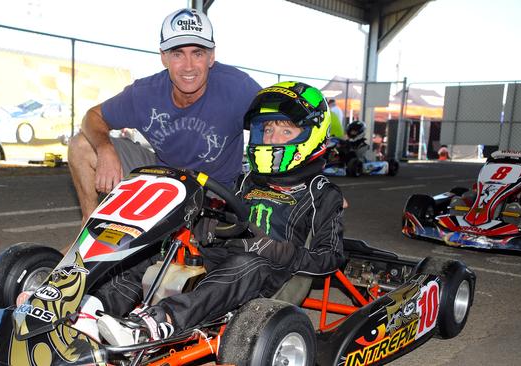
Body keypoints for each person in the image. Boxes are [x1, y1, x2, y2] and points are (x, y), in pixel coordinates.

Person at [95, 81, 346, 346]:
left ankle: (161, 322)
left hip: (276, 275)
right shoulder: (246, 180)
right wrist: (207, 224)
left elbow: (330, 258)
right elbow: (225, 218)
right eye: (267, 129)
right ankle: (95, 308)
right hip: (228, 257)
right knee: (161, 244)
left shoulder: (322, 193)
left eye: (285, 130)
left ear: (313, 134)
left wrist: (273, 249)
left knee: (246, 264)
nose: (272, 138)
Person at [67, 8, 261, 222]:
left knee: (200, 251)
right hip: (163, 180)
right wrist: (105, 149)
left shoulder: (238, 88)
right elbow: (92, 116)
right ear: (164, 57)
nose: (188, 66)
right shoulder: (144, 92)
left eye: (197, 53)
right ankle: (89, 226)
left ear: (211, 56)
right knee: (81, 145)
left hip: (215, 192)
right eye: (178, 54)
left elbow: (278, 122)